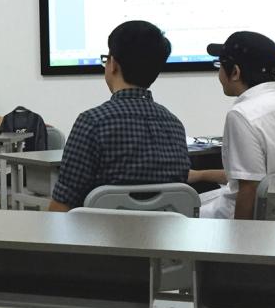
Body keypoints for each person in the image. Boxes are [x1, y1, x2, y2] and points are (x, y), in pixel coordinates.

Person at [48, 21, 189, 212]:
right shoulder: (174, 125)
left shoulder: (93, 122)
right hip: (164, 231)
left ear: (113, 64)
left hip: (100, 231)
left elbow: (62, 205)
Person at [194, 31, 275, 220]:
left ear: (235, 72)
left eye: (219, 66)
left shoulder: (242, 114)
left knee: (178, 212)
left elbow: (249, 188)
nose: (219, 73)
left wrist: (241, 236)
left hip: (264, 221)